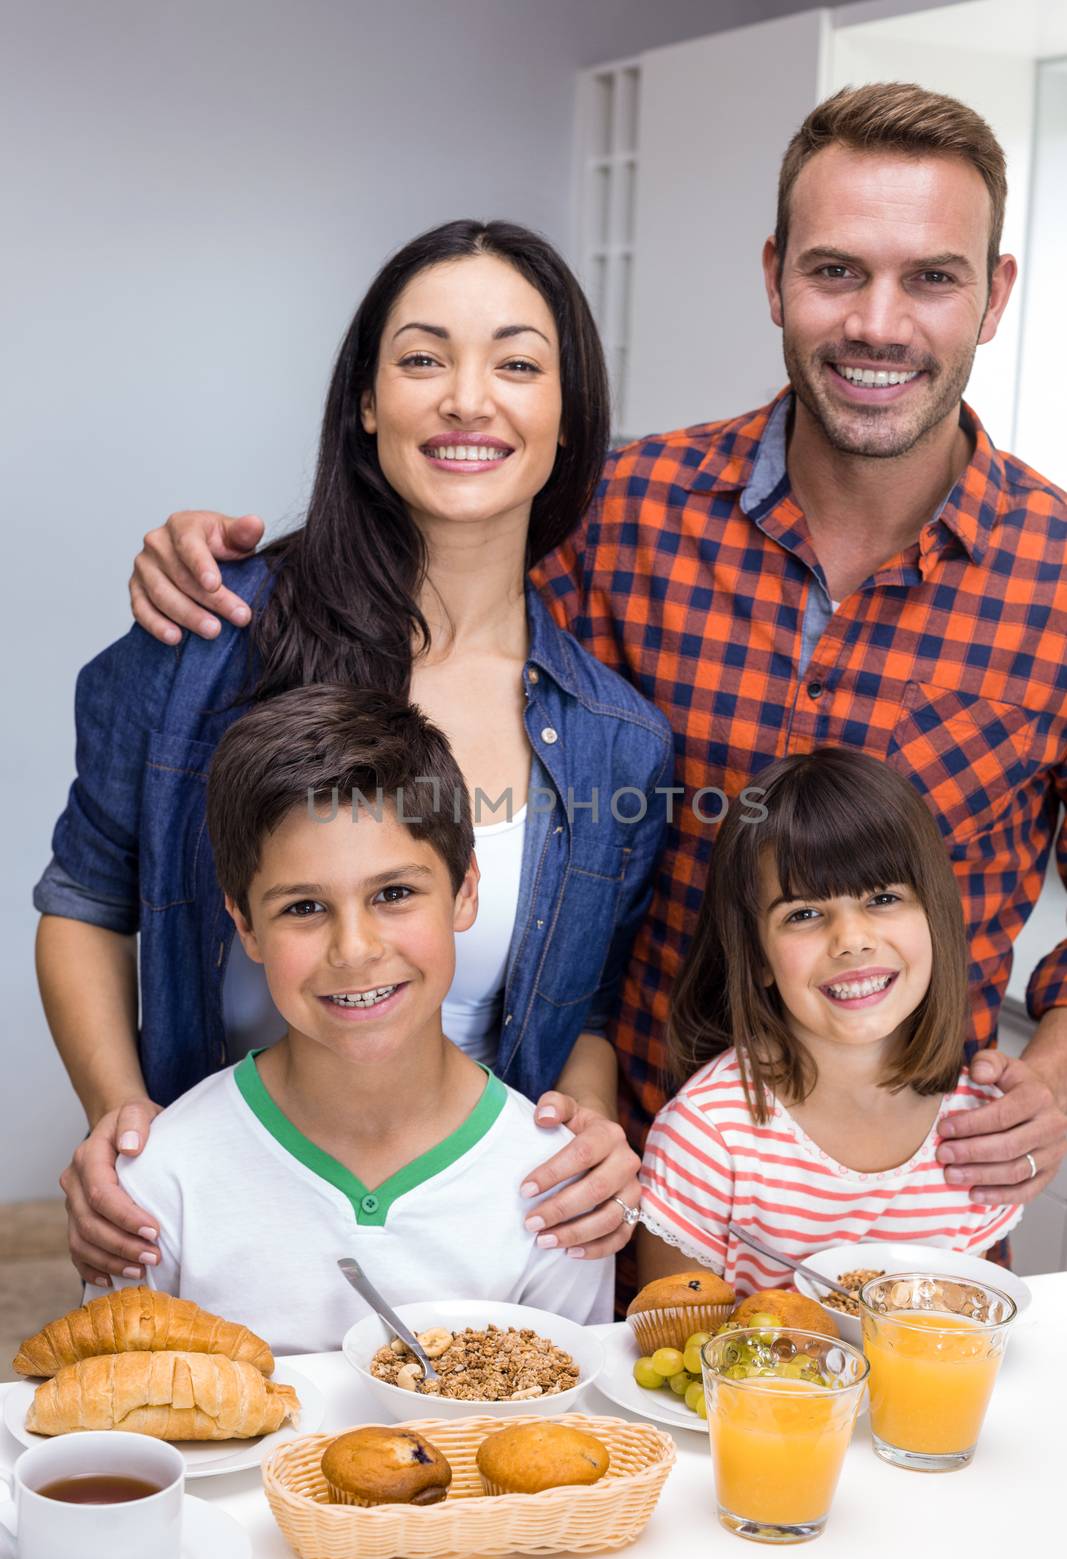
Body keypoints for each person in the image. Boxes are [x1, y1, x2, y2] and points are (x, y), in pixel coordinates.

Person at [116, 84, 1067, 1250]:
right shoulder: (613, 511)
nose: (877, 321)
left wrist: (1057, 1073)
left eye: (929, 276)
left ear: (993, 295)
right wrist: (215, 563)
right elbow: (424, 561)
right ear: (772, 277)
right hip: (617, 1192)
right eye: (833, 272)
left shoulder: (1056, 578)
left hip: (914, 1207)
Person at [35, 220, 673, 1290]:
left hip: (485, 1241)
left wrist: (588, 1124)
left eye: (517, 363)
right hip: (225, 1227)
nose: (468, 398)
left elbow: (592, 1004)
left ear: (567, 419)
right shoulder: (208, 643)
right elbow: (88, 901)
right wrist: (127, 1129)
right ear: (367, 403)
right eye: (423, 358)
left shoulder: (617, 738)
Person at [98, 685, 612, 1350]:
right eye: (303, 908)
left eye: (393, 894)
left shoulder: (556, 1191)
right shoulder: (162, 1181)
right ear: (245, 926)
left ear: (464, 892)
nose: (355, 950)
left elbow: (570, 1430)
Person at [637, 748, 1020, 1293]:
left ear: (935, 914)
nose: (852, 940)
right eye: (805, 914)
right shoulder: (708, 1136)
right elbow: (671, 1349)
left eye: (884, 897)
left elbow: (965, 1335)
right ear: (758, 957)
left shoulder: (977, 1127)